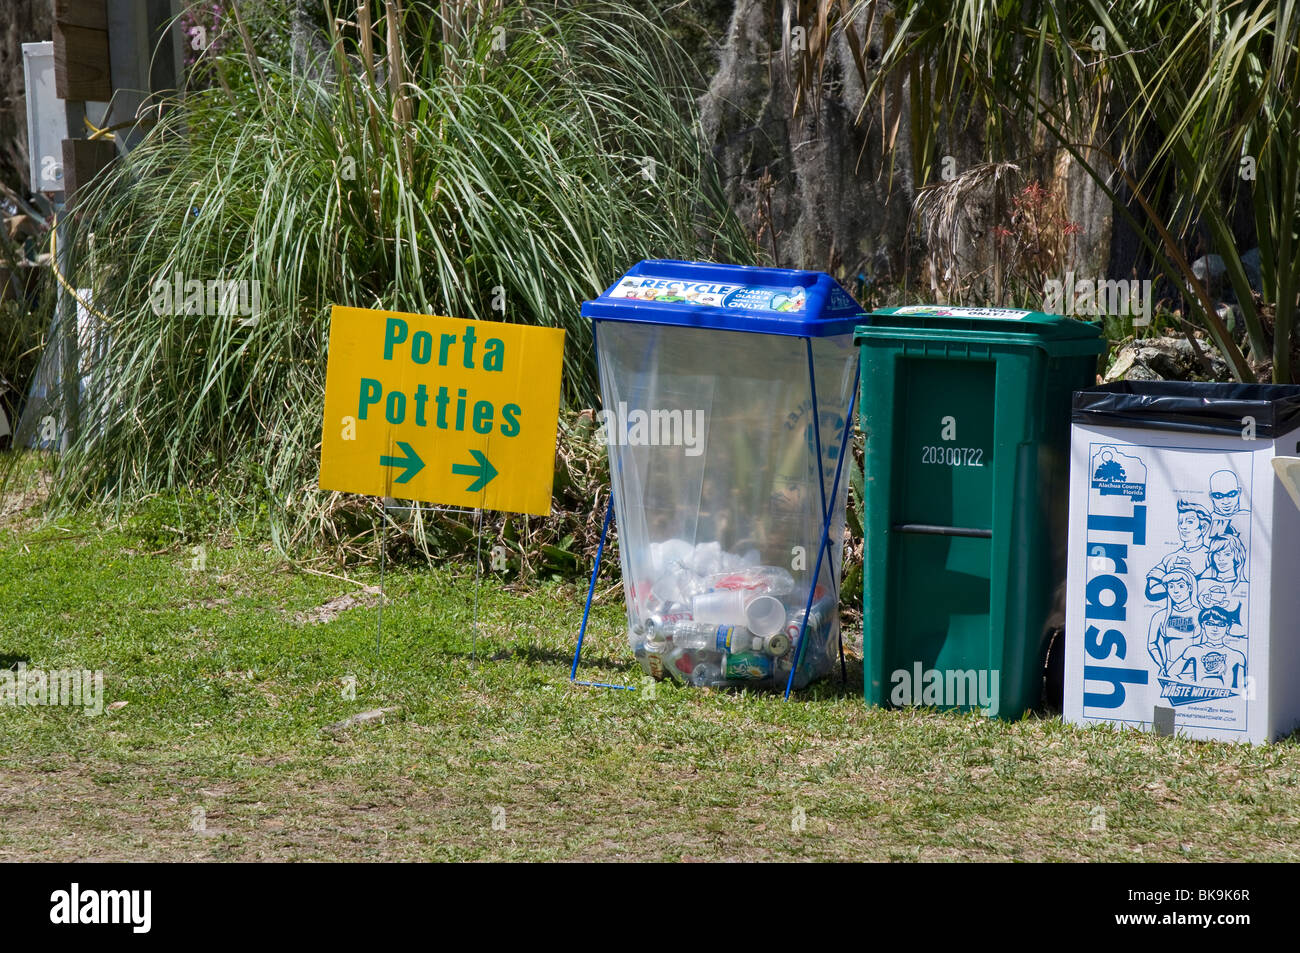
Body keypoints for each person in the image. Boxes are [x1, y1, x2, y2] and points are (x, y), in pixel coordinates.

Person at [1145, 500, 1212, 599]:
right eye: (1180, 522)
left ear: (1203, 527)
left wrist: (1170, 582)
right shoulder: (1170, 558)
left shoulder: (1211, 557)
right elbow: (1152, 590)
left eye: (1189, 522)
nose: (1183, 527)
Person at [1170, 606, 1248, 691]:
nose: (1215, 629)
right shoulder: (1193, 650)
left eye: (1221, 625)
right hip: (1198, 699)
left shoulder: (1237, 656)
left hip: (1225, 700)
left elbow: (1242, 690)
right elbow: (1171, 673)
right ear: (1203, 625)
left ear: (1228, 628)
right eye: (1209, 623)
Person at [1147, 568, 1200, 676]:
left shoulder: (1200, 614)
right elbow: (1151, 644)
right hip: (1169, 672)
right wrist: (1161, 665)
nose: (1176, 591)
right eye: (1171, 586)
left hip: (1196, 673)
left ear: (1189, 587)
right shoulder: (1160, 616)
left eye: (1181, 586)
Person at [1208, 470, 1251, 539]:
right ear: (1211, 496)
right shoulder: (1207, 521)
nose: (1226, 501)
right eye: (1219, 496)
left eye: (1231, 494)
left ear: (1239, 492)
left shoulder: (1250, 517)